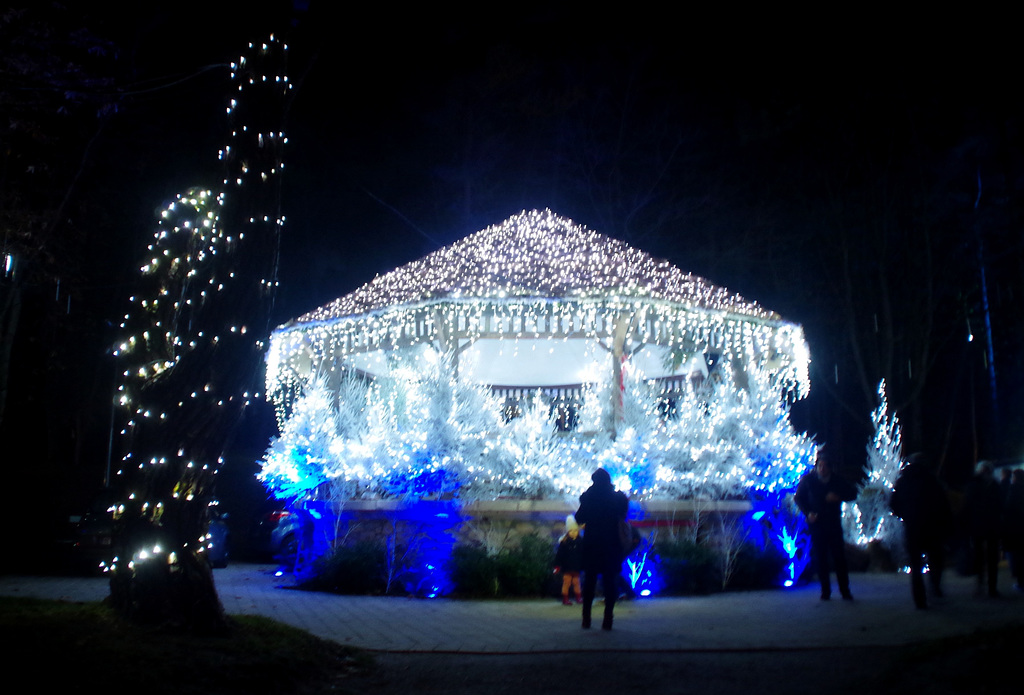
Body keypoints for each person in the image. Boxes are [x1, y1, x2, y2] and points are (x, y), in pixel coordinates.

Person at [890, 452, 953, 609]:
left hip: (912, 528)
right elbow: (943, 505)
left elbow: (893, 504)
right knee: (935, 559)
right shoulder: (932, 480)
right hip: (932, 527)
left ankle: (920, 599)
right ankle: (934, 587)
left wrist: (905, 516)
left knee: (916, 565)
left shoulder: (903, 481)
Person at [794, 451, 857, 601]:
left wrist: (839, 497)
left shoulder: (837, 481)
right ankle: (825, 591)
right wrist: (808, 513)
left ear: (829, 468)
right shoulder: (809, 480)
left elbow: (853, 493)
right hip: (817, 525)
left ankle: (844, 590)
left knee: (839, 558)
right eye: (819, 466)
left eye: (824, 466)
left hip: (833, 523)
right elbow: (799, 498)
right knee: (821, 558)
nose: (822, 469)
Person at [575, 468, 628, 630]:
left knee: (589, 582)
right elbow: (624, 514)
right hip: (611, 544)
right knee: (610, 582)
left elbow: (579, 518)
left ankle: (586, 619)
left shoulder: (589, 497)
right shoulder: (617, 498)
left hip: (592, 544)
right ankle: (608, 619)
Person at [962, 461, 1003, 597]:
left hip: (982, 526)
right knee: (987, 558)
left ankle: (985, 586)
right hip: (987, 526)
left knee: (983, 557)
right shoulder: (994, 485)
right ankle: (988, 586)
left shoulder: (973, 486)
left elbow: (967, 506)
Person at [1001, 469, 1024, 591]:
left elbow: (1008, 509)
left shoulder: (1013, 490)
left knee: (1017, 557)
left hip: (1015, 530)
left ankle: (1021, 582)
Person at [554, 515, 584, 605]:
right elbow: (559, 555)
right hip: (567, 567)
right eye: (571, 531)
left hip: (576, 567)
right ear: (568, 532)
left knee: (577, 582)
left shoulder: (580, 542)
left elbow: (583, 555)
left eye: (575, 531)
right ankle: (565, 598)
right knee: (566, 582)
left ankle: (578, 597)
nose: (574, 533)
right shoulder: (565, 543)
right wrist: (557, 566)